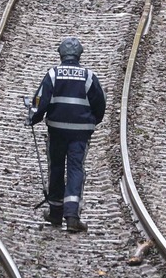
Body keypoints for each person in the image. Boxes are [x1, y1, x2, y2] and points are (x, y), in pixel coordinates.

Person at [26, 36, 106, 233]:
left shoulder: (53, 74)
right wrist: (91, 122)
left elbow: (40, 101)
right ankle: (72, 217)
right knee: (75, 169)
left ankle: (55, 212)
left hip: (56, 130)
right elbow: (100, 104)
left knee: (56, 167)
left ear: (61, 54)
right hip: (80, 134)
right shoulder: (88, 76)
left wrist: (33, 118)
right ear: (79, 55)